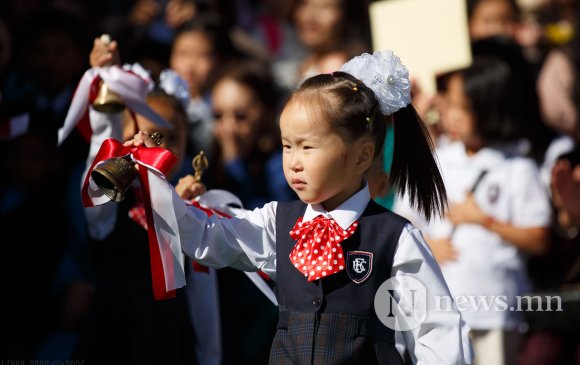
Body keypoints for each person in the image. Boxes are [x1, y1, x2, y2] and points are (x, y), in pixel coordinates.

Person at [117, 50, 473, 364]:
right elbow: (209, 237)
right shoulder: (278, 222)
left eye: (307, 147)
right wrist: (154, 181)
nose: (294, 162)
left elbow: (438, 333)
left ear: (362, 155)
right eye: (288, 146)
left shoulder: (395, 239)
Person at [72, 38, 221, 365]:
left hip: (170, 342)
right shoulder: (112, 200)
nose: (162, 147)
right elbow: (96, 188)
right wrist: (108, 87)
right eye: (151, 136)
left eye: (172, 137)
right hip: (115, 338)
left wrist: (210, 358)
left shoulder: (195, 199)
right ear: (125, 135)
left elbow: (204, 300)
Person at [396, 56, 552, 365]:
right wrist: (427, 245)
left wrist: (484, 221)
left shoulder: (517, 167)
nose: (450, 115)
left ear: (489, 109)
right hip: (439, 309)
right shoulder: (439, 159)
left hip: (495, 309)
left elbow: (539, 239)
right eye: (448, 104)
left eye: (461, 107)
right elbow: (404, 219)